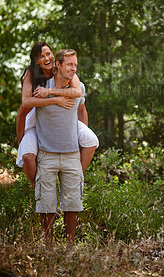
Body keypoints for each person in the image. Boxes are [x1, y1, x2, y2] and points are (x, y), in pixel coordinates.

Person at [16, 42, 98, 187]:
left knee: (91, 140)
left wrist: (50, 93)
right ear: (35, 60)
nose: (46, 58)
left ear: (53, 54)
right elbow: (25, 106)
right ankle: (39, 188)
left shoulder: (63, 69)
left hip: (65, 121)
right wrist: (20, 141)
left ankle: (75, 179)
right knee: (28, 156)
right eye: (41, 56)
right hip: (38, 119)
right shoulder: (32, 74)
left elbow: (78, 96)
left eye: (48, 54)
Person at [35, 49, 87, 248]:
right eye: (69, 65)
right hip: (46, 153)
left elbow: (82, 111)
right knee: (46, 204)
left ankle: (70, 248)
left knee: (72, 203)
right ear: (58, 65)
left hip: (72, 153)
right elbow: (25, 109)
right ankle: (48, 248)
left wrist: (84, 139)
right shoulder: (41, 87)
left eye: (75, 65)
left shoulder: (78, 87)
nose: (73, 68)